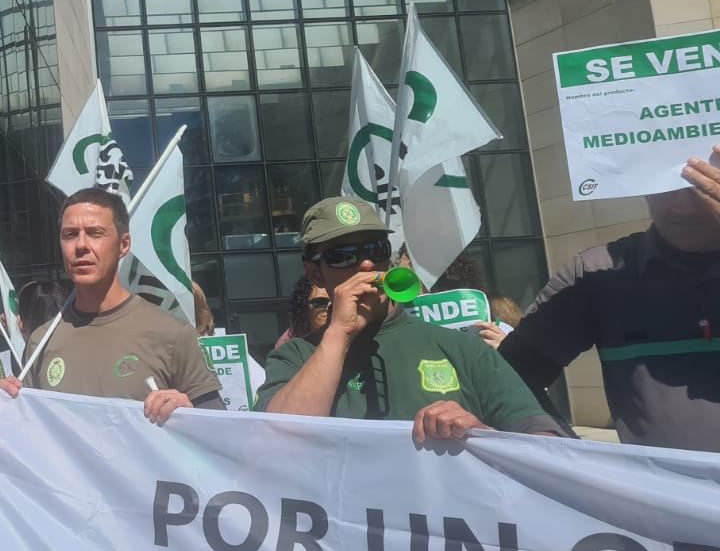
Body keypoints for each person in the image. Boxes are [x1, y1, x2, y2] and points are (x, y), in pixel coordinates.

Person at [256, 198, 560, 444]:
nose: (365, 263)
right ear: (315, 274)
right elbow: (277, 442)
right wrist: (339, 333)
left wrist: (480, 435)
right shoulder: (293, 357)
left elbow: (545, 442)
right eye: (342, 254)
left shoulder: (462, 347)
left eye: (376, 249)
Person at [499, 150, 720, 453]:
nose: (683, 207)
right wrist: (557, 445)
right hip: (659, 496)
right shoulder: (596, 274)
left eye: (704, 185)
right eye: (664, 183)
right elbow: (505, 380)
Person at [0, 188, 222, 424]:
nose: (81, 245)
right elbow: (30, 433)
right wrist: (1, 404)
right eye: (70, 235)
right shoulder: (41, 341)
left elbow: (222, 433)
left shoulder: (172, 335)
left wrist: (189, 413)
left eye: (96, 233)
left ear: (124, 245)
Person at [275, 277, 329, 349]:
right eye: (320, 302)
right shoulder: (289, 348)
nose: (330, 307)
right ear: (304, 308)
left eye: (335, 301)